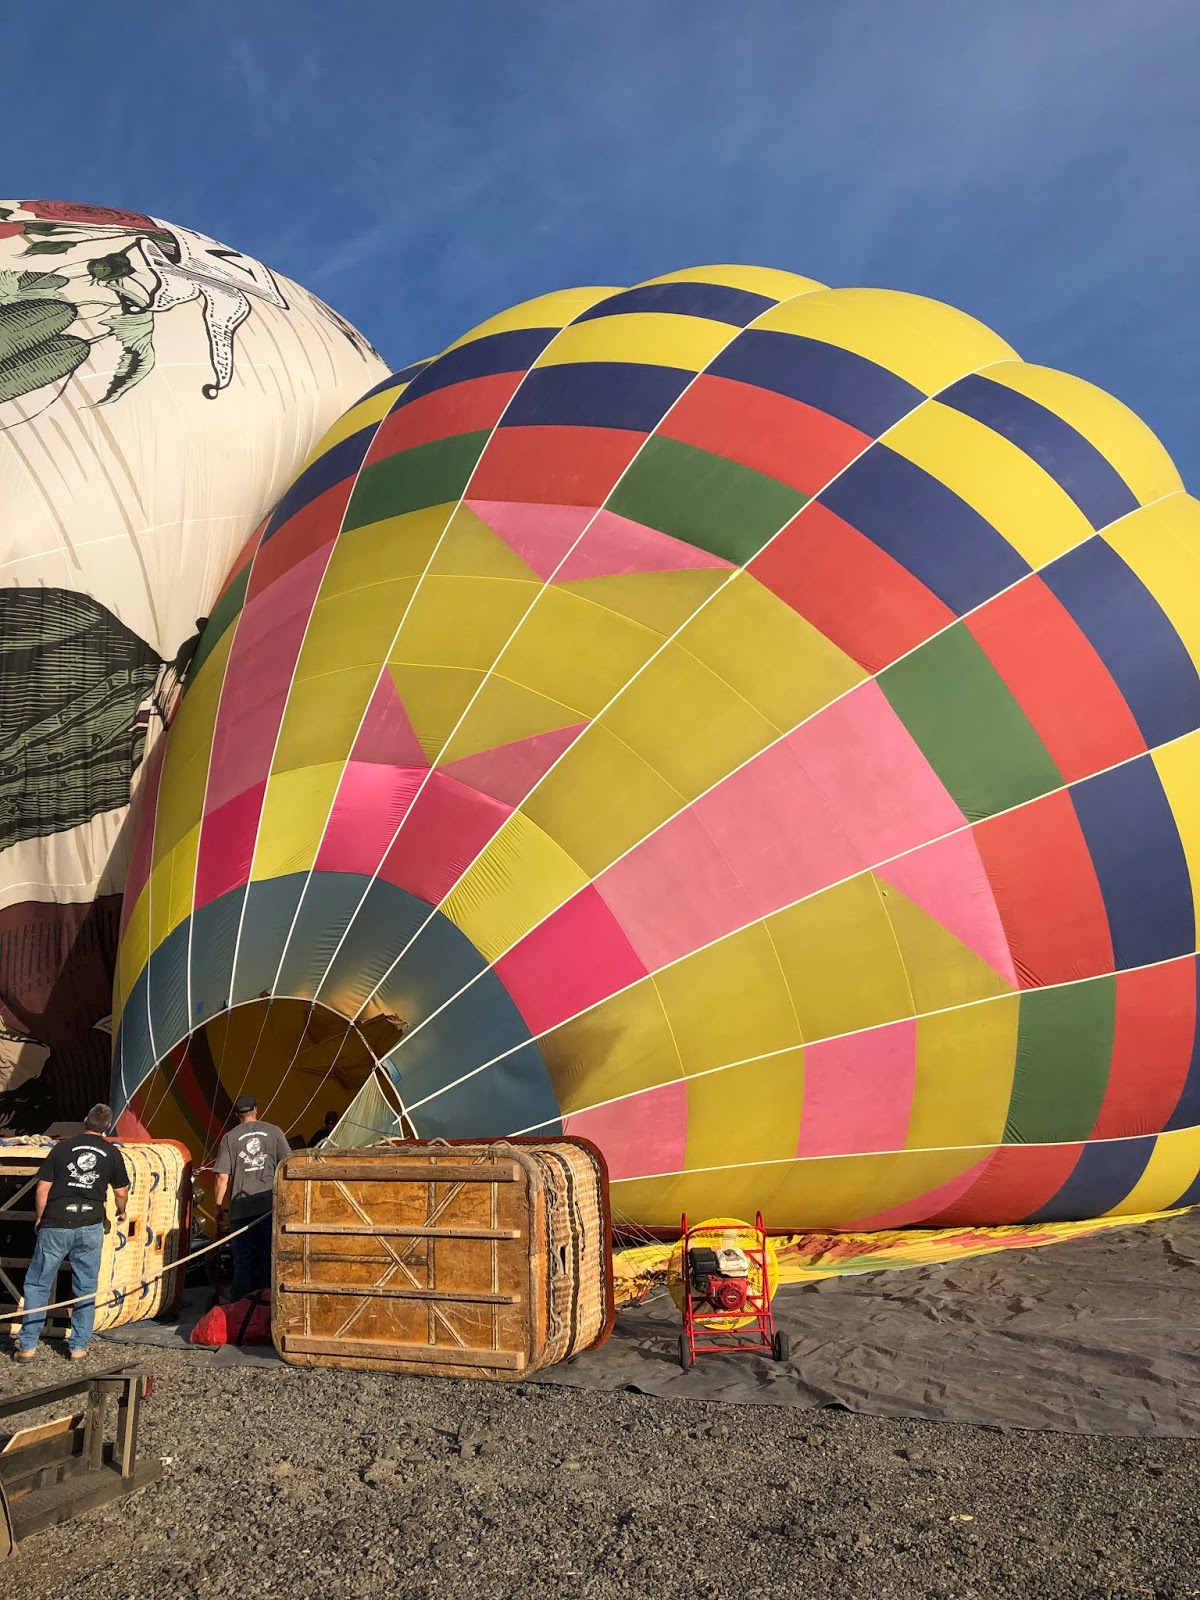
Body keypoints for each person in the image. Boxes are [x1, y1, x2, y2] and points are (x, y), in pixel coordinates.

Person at [14, 1103, 129, 1362]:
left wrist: (40, 1217)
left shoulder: (62, 1147)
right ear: (107, 1127)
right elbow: (121, 1191)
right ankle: (78, 1347)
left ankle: (28, 1346)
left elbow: (42, 1188)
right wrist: (121, 1211)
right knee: (85, 1286)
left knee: (38, 1283)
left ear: (85, 1119)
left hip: (56, 1221)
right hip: (90, 1223)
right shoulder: (112, 1152)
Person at [212, 1095, 290, 1302]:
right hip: (268, 1207)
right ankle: (264, 1307)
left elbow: (222, 1177)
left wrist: (218, 1206)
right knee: (267, 1259)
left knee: (242, 1263)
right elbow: (288, 1166)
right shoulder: (274, 1132)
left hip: (240, 1210)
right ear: (255, 1109)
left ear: (236, 1114)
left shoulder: (229, 1138)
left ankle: (239, 1309)